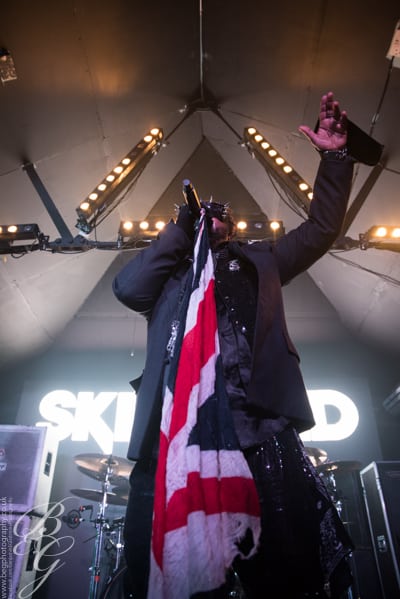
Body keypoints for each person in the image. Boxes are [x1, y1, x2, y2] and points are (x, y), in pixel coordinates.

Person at [112, 91, 355, 599]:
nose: (212, 215)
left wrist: (335, 159)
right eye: (206, 211)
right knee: (159, 574)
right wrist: (181, 229)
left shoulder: (259, 261)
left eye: (220, 212)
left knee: (287, 574)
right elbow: (127, 288)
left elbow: (321, 229)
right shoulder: (168, 278)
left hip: (256, 432)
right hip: (174, 439)